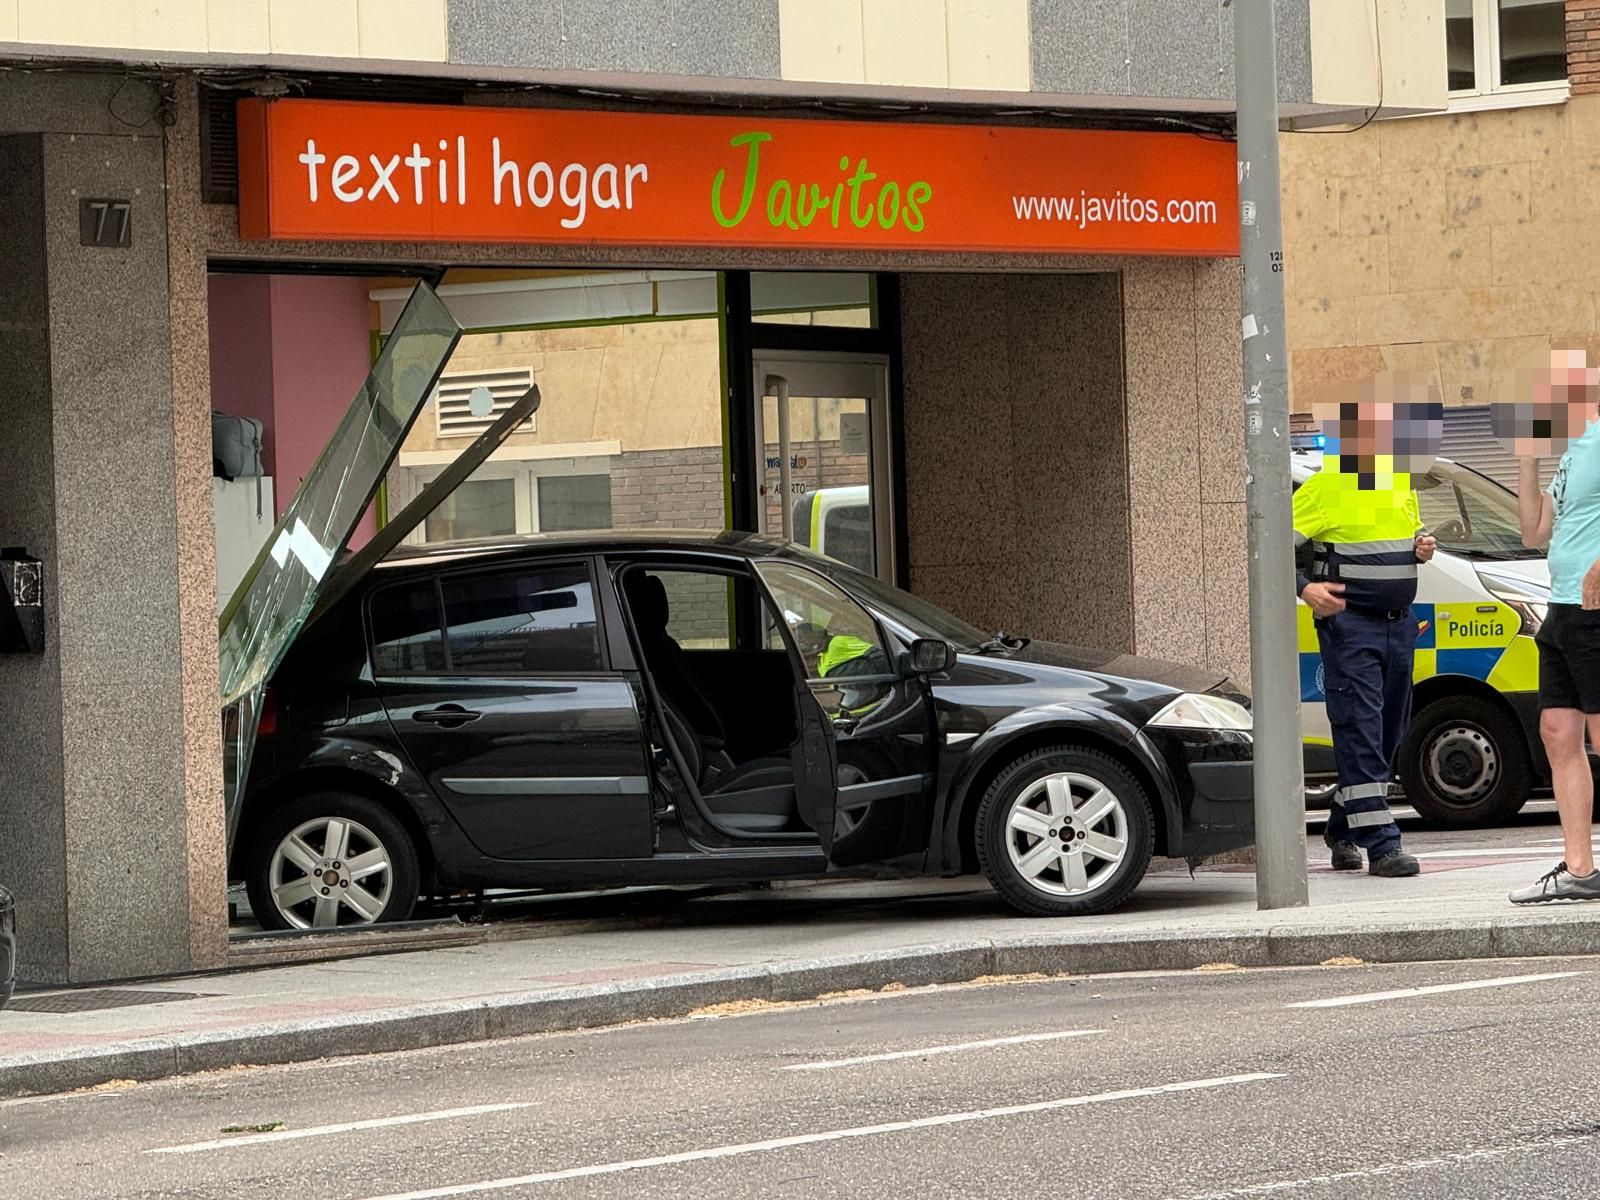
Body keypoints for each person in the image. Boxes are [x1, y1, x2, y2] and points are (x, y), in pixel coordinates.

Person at [1294, 397, 1436, 877]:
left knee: (1387, 733)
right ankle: (1382, 845)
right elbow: (1269, 547)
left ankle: (1342, 822)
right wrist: (1305, 588)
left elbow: (1404, 540)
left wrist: (1420, 548)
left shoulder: (1398, 481)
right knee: (1359, 728)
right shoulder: (1321, 489)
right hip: (1350, 624)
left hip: (1399, 622)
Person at [1508, 351, 1600, 903]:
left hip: (1596, 610)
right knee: (1558, 732)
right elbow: (1532, 532)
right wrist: (1527, 460)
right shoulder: (1570, 454)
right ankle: (1580, 869)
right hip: (1562, 608)